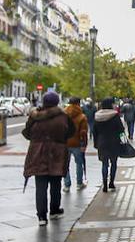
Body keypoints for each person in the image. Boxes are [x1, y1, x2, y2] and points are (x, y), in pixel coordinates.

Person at [22, 91, 74, 226]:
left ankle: (41, 216)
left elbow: (27, 133)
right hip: (57, 153)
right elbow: (70, 132)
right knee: (56, 184)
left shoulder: (35, 116)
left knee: (40, 186)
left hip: (38, 153)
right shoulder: (63, 116)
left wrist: (37, 140)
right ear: (57, 102)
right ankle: (54, 210)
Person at [93, 97, 126, 192]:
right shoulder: (115, 115)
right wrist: (124, 142)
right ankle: (111, 182)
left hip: (102, 143)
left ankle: (104, 185)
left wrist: (96, 143)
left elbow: (95, 132)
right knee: (114, 163)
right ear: (110, 104)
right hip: (114, 143)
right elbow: (121, 130)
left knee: (104, 164)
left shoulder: (97, 116)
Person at [64, 96, 89, 190]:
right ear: (78, 103)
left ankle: (66, 184)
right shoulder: (81, 116)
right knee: (79, 163)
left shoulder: (64, 115)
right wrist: (84, 144)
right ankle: (79, 183)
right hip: (77, 143)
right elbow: (83, 132)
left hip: (65, 143)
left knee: (65, 164)